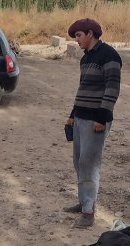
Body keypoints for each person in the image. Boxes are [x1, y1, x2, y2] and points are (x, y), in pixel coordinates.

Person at [63, 18, 122, 228]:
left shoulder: (109, 55)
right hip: (80, 117)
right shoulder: (86, 58)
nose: (76, 40)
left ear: (90, 33)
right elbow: (82, 88)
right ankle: (83, 201)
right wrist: (72, 114)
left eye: (78, 35)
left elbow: (112, 88)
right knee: (79, 162)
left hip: (96, 120)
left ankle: (88, 213)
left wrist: (102, 117)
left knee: (89, 165)